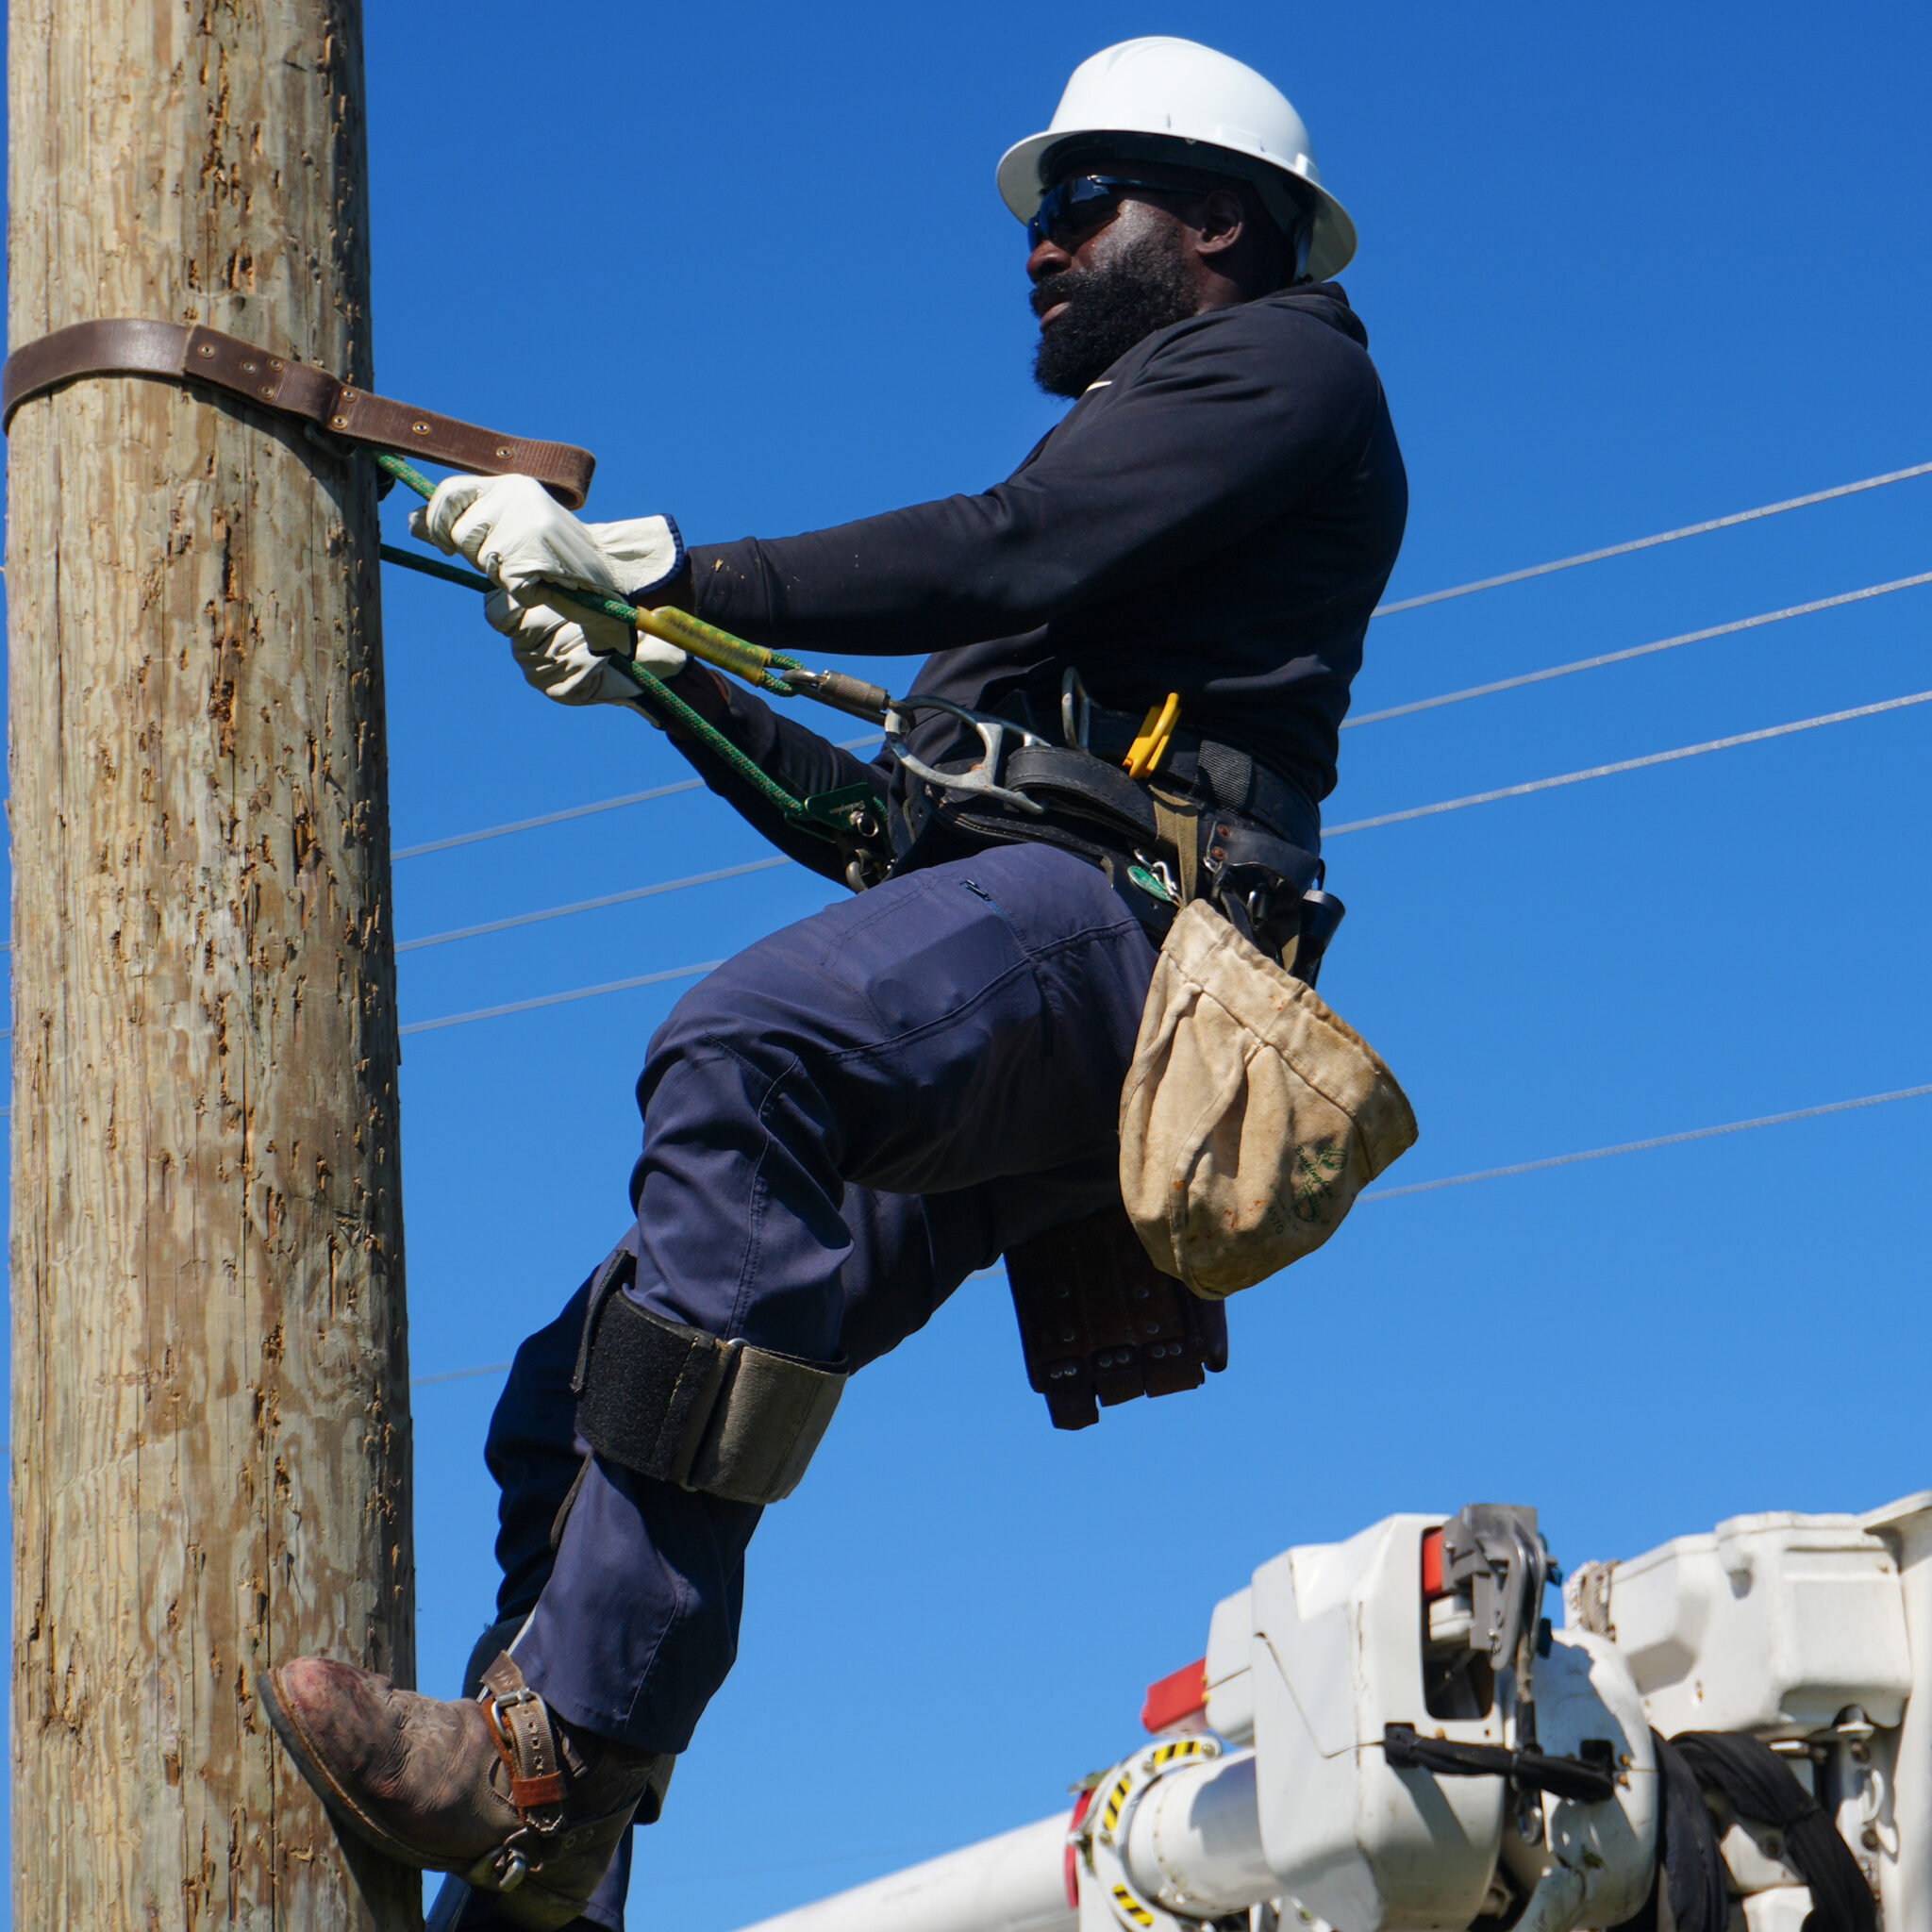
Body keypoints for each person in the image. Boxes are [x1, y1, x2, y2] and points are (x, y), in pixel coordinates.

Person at [260, 37, 1408, 1931]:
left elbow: (1000, 546)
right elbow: (888, 826)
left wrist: (681, 566)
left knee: (751, 1039)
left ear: (1217, 220)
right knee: (567, 1393)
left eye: (1077, 203)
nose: (1037, 244)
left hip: (1131, 942)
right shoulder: (1126, 454)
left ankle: (564, 1750)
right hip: (1020, 951)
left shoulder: (1281, 368)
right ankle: (542, 1878)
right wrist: (650, 663)